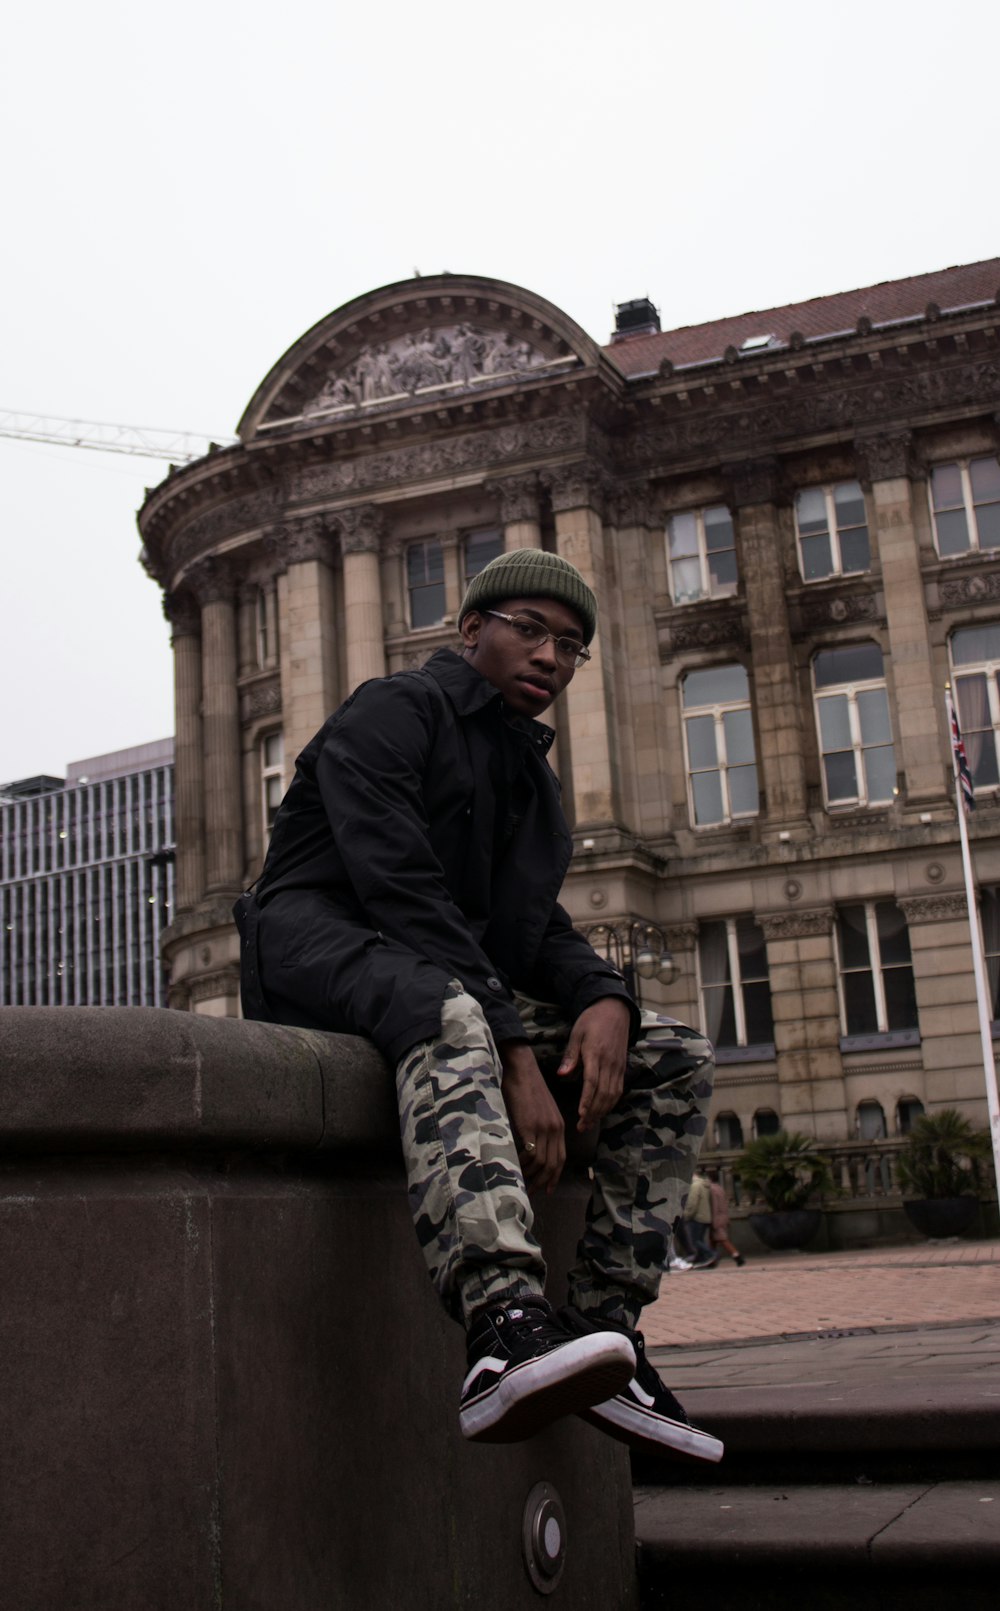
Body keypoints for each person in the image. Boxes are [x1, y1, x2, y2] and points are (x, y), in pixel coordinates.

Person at [235, 547, 722, 1464]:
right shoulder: (395, 709)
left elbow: (534, 929)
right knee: (450, 1006)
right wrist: (512, 1047)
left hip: (435, 967)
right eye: (530, 629)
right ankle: (503, 1325)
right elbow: (400, 885)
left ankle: (604, 1337)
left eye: (571, 646)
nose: (550, 657)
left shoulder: (532, 784)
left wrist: (607, 997)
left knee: (677, 1054)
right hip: (318, 942)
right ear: (472, 632)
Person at [682, 1165, 718, 1268]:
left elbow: (692, 1203)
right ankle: (702, 1260)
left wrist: (686, 1215)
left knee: (695, 1240)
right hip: (705, 1216)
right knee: (699, 1239)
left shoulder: (695, 1186)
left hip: (697, 1217)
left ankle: (711, 1254)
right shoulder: (704, 1184)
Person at [709, 1173, 746, 1266]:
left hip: (717, 1218)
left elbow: (714, 1206)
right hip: (722, 1216)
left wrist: (712, 1219)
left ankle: (737, 1255)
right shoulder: (719, 1188)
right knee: (713, 1239)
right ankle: (712, 1259)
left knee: (722, 1238)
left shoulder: (712, 1189)